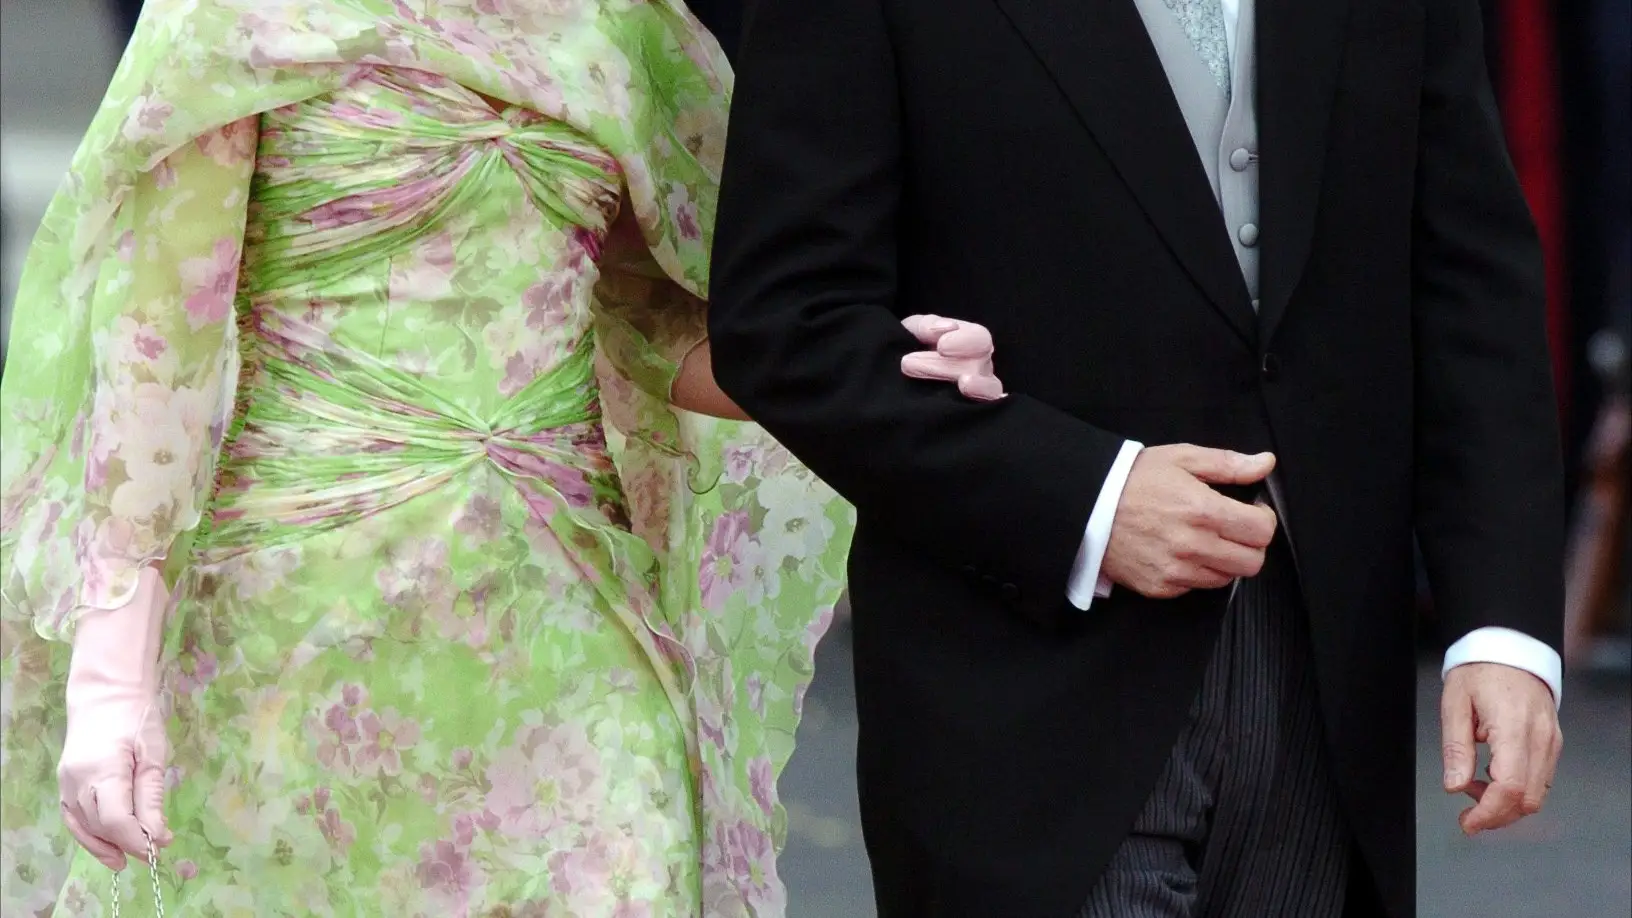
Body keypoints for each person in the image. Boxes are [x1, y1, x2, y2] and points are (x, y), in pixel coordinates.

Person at [0, 2, 1001, 915]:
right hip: (293, 632)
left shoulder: (620, 30)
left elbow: (650, 326)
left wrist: (870, 369)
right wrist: (113, 681)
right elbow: (160, 345)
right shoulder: (240, 17)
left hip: (567, 633)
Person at [708, 0, 1567, 916]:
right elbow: (788, 323)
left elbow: (1467, 282)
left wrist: (1501, 626)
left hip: (1328, 700)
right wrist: (1086, 497)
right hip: (1024, 693)